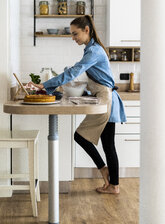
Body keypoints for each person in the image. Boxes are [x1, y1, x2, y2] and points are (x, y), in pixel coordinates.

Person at [28, 15, 126, 194]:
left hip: (106, 100)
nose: (73, 38)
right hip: (106, 99)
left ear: (86, 30)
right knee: (108, 145)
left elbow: (75, 71)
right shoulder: (91, 49)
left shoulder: (94, 51)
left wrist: (45, 84)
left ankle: (108, 176)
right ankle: (113, 184)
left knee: (84, 138)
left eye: (75, 34)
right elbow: (81, 72)